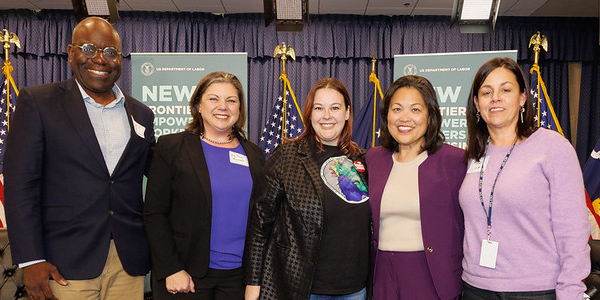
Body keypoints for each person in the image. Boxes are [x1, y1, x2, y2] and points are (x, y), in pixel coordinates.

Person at [4, 17, 154, 300]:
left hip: (127, 262)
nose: (100, 59)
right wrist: (30, 260)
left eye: (110, 52)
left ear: (120, 59)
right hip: (63, 263)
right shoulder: (38, 102)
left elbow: (159, 169)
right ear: (72, 52)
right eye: (89, 49)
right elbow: (19, 187)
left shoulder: (140, 113)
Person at [460, 57, 590, 299]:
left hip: (535, 290)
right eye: (486, 92)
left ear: (522, 98)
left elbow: (573, 231)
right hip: (475, 287)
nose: (495, 98)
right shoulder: (473, 155)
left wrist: (571, 291)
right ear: (477, 104)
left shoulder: (552, 148)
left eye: (506, 90)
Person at [244, 78, 370, 300]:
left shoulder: (362, 160)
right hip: (300, 288)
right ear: (310, 113)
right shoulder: (287, 156)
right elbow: (259, 223)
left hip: (354, 290)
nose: (327, 115)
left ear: (348, 113)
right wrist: (253, 283)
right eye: (319, 108)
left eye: (335, 108)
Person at [144, 71, 264, 300]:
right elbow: (154, 213)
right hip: (185, 276)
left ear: (239, 109)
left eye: (231, 100)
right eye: (213, 99)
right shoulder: (172, 147)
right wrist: (171, 268)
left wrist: (255, 277)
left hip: (239, 279)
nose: (223, 106)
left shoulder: (255, 155)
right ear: (198, 105)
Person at [366, 75, 466, 300]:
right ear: (387, 115)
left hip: (432, 276)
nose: (404, 118)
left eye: (415, 110)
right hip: (382, 274)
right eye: (397, 109)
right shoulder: (373, 159)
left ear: (430, 115)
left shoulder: (455, 160)